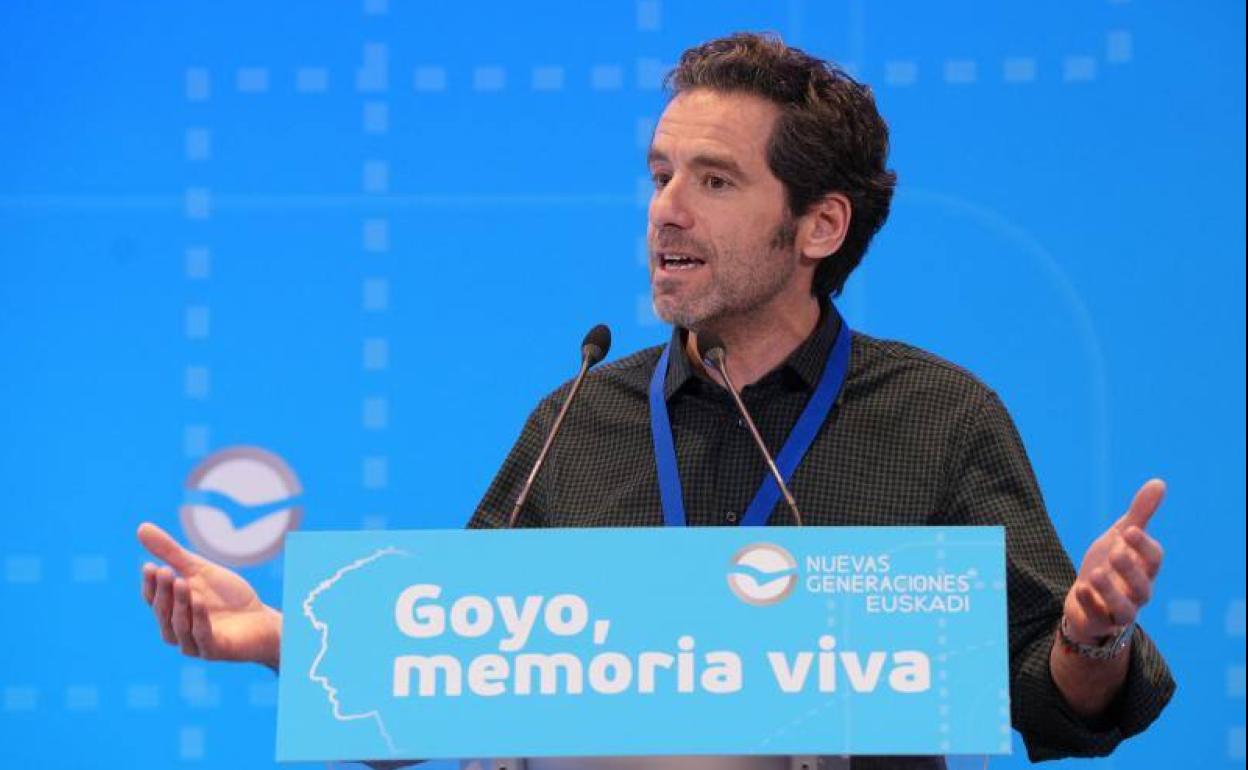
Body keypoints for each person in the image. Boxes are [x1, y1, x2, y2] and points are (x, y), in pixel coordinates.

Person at [139, 32, 1174, 769]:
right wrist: (280, 637)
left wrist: (1091, 635)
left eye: (715, 182)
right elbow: (445, 676)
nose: (666, 211)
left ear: (818, 227)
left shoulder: (939, 418)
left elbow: (1059, 703)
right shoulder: (579, 419)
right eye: (661, 174)